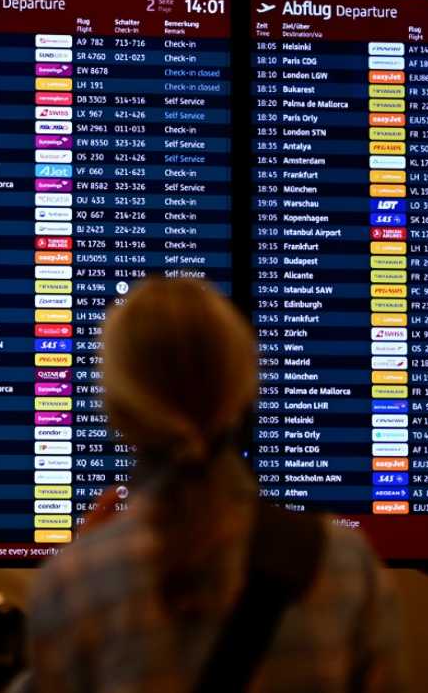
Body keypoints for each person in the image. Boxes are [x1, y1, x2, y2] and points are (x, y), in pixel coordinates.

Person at [28, 277, 406, 693]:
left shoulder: (74, 583)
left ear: (117, 408)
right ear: (242, 390)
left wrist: (85, 555)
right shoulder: (346, 564)